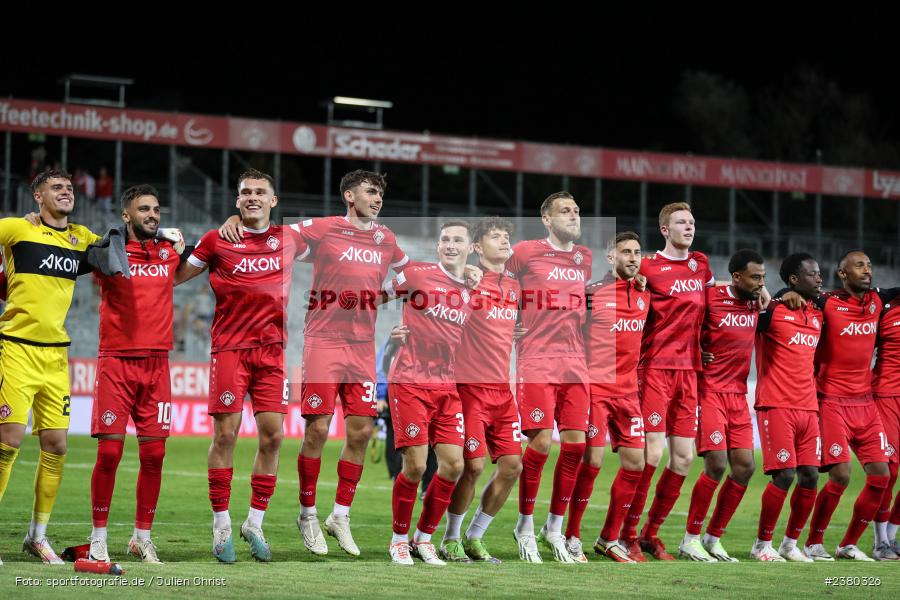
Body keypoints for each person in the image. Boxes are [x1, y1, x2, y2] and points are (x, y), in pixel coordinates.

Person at [177, 169, 309, 563]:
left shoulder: (289, 239)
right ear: (236, 201)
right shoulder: (217, 239)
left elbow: (334, 239)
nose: (252, 197)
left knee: (273, 438)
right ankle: (220, 528)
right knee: (225, 436)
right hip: (230, 350)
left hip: (272, 353)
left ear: (274, 201)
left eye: (260, 192)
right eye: (245, 193)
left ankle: (254, 522)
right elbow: (173, 278)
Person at [0, 169, 102, 564]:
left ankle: (36, 536)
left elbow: (121, 246)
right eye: (57, 188)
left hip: (56, 354)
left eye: (70, 188)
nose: (67, 192)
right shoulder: (17, 229)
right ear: (38, 197)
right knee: (8, 439)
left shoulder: (81, 239)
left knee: (57, 445)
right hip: (17, 349)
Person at [86, 184, 185, 564]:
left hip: (157, 363)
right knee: (109, 452)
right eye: (144, 209)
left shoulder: (168, 252)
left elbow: (204, 259)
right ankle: (98, 537)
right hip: (116, 362)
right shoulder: (107, 252)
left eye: (156, 209)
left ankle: (141, 537)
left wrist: (184, 243)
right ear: (126, 215)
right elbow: (72, 255)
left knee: (155, 455)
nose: (152, 215)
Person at [785, 251, 896, 561]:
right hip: (831, 400)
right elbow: (787, 299)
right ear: (843, 273)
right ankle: (813, 542)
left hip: (866, 403)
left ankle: (848, 544)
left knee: (881, 476)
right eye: (859, 265)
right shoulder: (826, 301)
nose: (867, 270)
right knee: (841, 475)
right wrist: (787, 292)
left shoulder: (877, 300)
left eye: (870, 264)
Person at [622, 202, 715, 561]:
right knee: (653, 453)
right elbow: (617, 289)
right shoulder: (646, 265)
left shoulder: (701, 264)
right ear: (664, 229)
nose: (688, 227)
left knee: (683, 458)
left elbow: (714, 299)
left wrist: (764, 293)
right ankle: (626, 533)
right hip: (655, 369)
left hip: (689, 371)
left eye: (691, 221)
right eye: (680, 222)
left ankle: (650, 533)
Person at [383, 221, 479, 566]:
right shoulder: (417, 275)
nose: (449, 244)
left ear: (470, 248)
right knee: (416, 465)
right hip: (409, 381)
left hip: (447, 387)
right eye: (444, 239)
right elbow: (377, 296)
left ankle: (423, 538)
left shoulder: (471, 290)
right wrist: (391, 336)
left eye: (457, 240)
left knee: (453, 465)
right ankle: (397, 540)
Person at [508, 192, 593, 563]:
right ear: (546, 218)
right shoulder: (526, 251)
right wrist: (507, 319)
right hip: (537, 358)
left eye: (576, 210)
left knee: (575, 446)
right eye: (565, 211)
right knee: (540, 444)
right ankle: (525, 525)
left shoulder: (584, 258)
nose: (573, 216)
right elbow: (500, 284)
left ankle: (553, 528)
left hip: (576, 362)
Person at [439, 216, 522, 563]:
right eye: (495, 237)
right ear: (476, 247)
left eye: (506, 237)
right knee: (472, 467)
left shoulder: (515, 288)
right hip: (469, 389)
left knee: (512, 466)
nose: (504, 241)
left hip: (502, 391)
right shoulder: (467, 280)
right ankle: (450, 537)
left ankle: (475, 536)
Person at [565, 231, 649, 563]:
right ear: (611, 257)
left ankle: (608, 539)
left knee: (636, 463)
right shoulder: (591, 294)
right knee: (593, 461)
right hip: (595, 391)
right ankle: (571, 535)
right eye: (625, 251)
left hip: (628, 393)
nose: (632, 257)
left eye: (637, 252)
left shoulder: (645, 296)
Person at [678, 249, 764, 562]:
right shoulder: (710, 297)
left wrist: (762, 288)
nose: (760, 283)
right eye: (755, 277)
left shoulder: (757, 300)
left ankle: (714, 538)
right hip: (710, 392)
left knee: (745, 466)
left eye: (763, 277)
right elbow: (682, 327)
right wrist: (694, 353)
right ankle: (690, 538)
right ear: (736, 277)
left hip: (739, 395)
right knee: (715, 464)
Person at [750, 253, 823, 562]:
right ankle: (761, 545)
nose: (819, 278)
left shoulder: (819, 314)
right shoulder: (773, 313)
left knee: (810, 476)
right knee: (785, 476)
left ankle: (790, 544)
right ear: (794, 280)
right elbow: (742, 317)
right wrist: (779, 295)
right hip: (776, 405)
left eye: (819, 273)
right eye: (812, 274)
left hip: (809, 407)